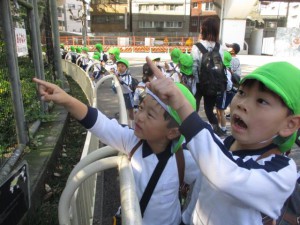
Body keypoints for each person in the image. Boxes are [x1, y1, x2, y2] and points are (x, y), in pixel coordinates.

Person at [33, 71, 199, 225]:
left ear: (173, 132)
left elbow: (210, 181)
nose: (139, 117)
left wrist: (188, 217)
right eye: (141, 107)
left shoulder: (184, 159)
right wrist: (67, 100)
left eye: (149, 115)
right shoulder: (133, 140)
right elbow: (101, 124)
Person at [146, 59, 300, 225]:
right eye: (241, 93)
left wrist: (182, 105)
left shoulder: (281, 172)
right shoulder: (224, 145)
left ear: (289, 125)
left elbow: (226, 177)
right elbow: (201, 191)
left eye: (262, 101)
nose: (242, 104)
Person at [191, 17, 225, 136]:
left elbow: (194, 66)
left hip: (200, 83)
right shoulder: (219, 47)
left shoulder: (197, 47)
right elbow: (222, 66)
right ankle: (216, 130)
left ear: (204, 30)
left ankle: (193, 129)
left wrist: (197, 81)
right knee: (209, 110)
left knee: (193, 107)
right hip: (214, 84)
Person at [216, 51, 234, 135]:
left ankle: (223, 129)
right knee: (218, 110)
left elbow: (229, 85)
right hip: (221, 92)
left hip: (224, 93)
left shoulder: (225, 71)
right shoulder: (225, 70)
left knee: (221, 111)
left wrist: (224, 89)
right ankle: (218, 126)